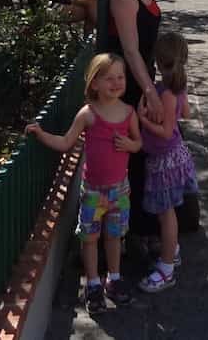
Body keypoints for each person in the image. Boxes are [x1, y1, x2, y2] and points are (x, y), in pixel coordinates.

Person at [26, 52, 142, 313]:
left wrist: (129, 144)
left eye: (120, 77)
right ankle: (92, 283)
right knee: (89, 239)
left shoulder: (128, 113)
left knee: (114, 237)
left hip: (120, 189)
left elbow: (138, 143)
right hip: (92, 191)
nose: (116, 83)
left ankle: (114, 278)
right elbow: (66, 142)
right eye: (109, 78)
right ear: (95, 83)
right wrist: (42, 135)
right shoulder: (88, 114)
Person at [106, 0, 164, 244]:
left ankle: (139, 230)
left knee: (143, 158)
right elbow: (130, 50)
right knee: (135, 160)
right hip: (128, 87)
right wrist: (151, 93)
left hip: (144, 79)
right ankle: (134, 235)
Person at [136, 31, 199, 292]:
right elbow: (187, 113)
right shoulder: (178, 87)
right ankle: (172, 249)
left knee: (167, 214)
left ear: (158, 62)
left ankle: (166, 267)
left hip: (165, 159)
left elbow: (165, 130)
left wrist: (143, 119)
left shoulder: (165, 93)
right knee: (168, 212)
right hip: (173, 156)